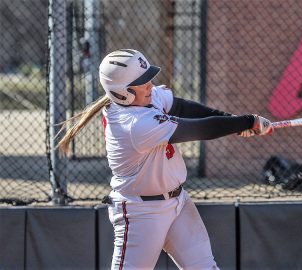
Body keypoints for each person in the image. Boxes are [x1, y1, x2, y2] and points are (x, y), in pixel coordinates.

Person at [57, 48, 273, 269]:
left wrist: (233, 122)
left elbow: (182, 107)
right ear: (122, 92)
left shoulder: (143, 100)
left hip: (178, 202)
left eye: (148, 78)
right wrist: (245, 122)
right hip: (141, 212)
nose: (150, 84)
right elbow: (198, 129)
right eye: (142, 82)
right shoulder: (133, 124)